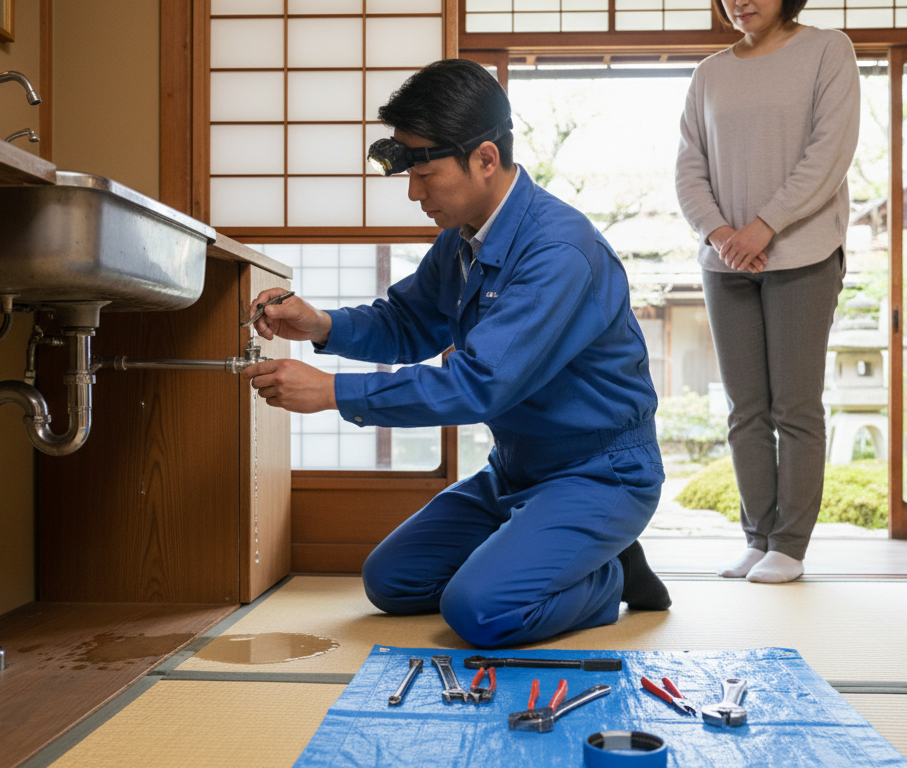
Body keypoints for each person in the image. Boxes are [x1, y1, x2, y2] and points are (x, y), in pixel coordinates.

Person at [240, 59, 670, 649]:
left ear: (485, 159)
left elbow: (478, 384)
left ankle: (611, 574)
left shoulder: (559, 252)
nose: (414, 192)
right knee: (392, 582)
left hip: (600, 473)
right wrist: (318, 324)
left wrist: (332, 393)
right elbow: (409, 322)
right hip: (516, 469)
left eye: (425, 172)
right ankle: (551, 549)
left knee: (479, 612)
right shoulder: (463, 236)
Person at [675, 0, 860, 583]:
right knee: (745, 410)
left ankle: (791, 544)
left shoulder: (829, 49)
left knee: (795, 408)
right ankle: (758, 538)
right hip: (725, 261)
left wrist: (764, 225)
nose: (739, 0)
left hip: (802, 254)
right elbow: (688, 168)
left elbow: (829, 152)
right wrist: (723, 234)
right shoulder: (709, 71)